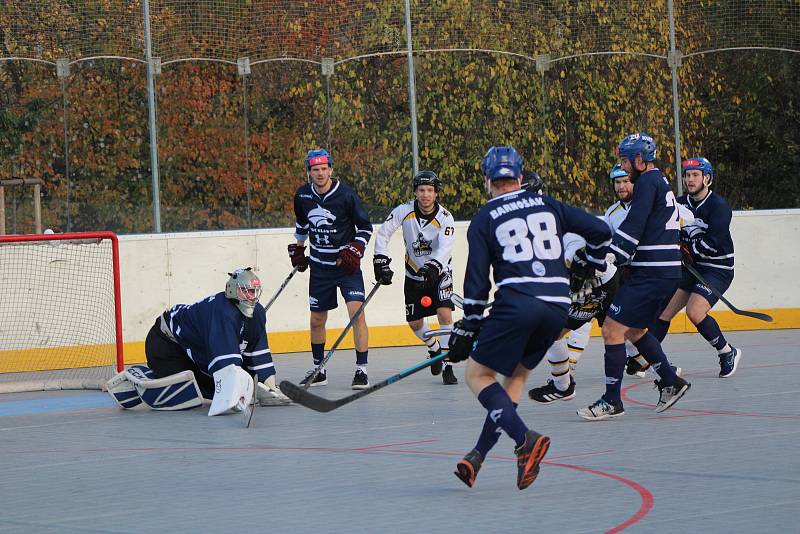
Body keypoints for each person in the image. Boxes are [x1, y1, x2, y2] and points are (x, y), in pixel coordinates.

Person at [447, 146, 612, 490]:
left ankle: (525, 440)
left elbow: (477, 281)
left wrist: (468, 325)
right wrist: (589, 263)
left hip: (517, 302)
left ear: (487, 181)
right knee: (517, 378)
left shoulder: (484, 218)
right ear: (520, 179)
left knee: (477, 374)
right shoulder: (549, 204)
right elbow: (601, 231)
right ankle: (478, 454)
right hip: (556, 307)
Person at [577, 132, 691, 421]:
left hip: (651, 273)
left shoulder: (647, 183)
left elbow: (634, 225)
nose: (623, 167)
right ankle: (670, 380)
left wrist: (609, 256)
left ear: (640, 160)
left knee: (612, 330)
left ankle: (612, 401)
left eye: (626, 161)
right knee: (635, 330)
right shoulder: (658, 181)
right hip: (661, 272)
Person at [528, 164, 646, 402]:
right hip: (597, 282)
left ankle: (563, 385)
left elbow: (578, 241)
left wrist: (573, 262)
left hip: (596, 284)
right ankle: (665, 371)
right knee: (627, 330)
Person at [108, 268, 290, 414]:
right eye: (247, 291)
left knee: (211, 388)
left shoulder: (257, 313)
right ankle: (143, 376)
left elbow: (258, 352)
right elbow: (227, 366)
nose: (252, 297)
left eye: (254, 291)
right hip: (166, 345)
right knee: (190, 397)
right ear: (234, 290)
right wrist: (238, 396)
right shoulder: (223, 312)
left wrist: (270, 387)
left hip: (193, 351)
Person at [647, 157, 741, 377]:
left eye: (695, 175)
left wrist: (686, 250)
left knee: (695, 312)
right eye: (688, 175)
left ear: (707, 178)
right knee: (663, 312)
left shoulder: (719, 207)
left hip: (717, 269)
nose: (690, 179)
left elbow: (714, 243)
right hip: (691, 269)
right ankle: (646, 358)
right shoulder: (679, 204)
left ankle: (727, 352)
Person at [290, 149, 374, 390]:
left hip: (345, 267)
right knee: (317, 319)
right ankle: (319, 369)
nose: (320, 173)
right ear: (309, 172)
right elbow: (302, 224)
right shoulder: (303, 195)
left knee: (356, 314)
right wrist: (298, 250)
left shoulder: (346, 195)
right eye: (315, 169)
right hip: (320, 268)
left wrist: (355, 249)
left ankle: (362, 370)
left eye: (324, 168)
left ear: (331, 169)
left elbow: (365, 228)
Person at [373, 170, 459, 385]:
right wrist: (380, 260)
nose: (426, 195)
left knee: (444, 315)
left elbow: (445, 248)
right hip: (413, 274)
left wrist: (432, 267)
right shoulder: (403, 211)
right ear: (415, 192)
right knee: (414, 322)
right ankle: (434, 348)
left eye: (430, 190)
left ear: (436, 193)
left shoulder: (446, 218)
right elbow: (384, 234)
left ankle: (448, 364)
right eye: (421, 190)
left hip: (439, 273)